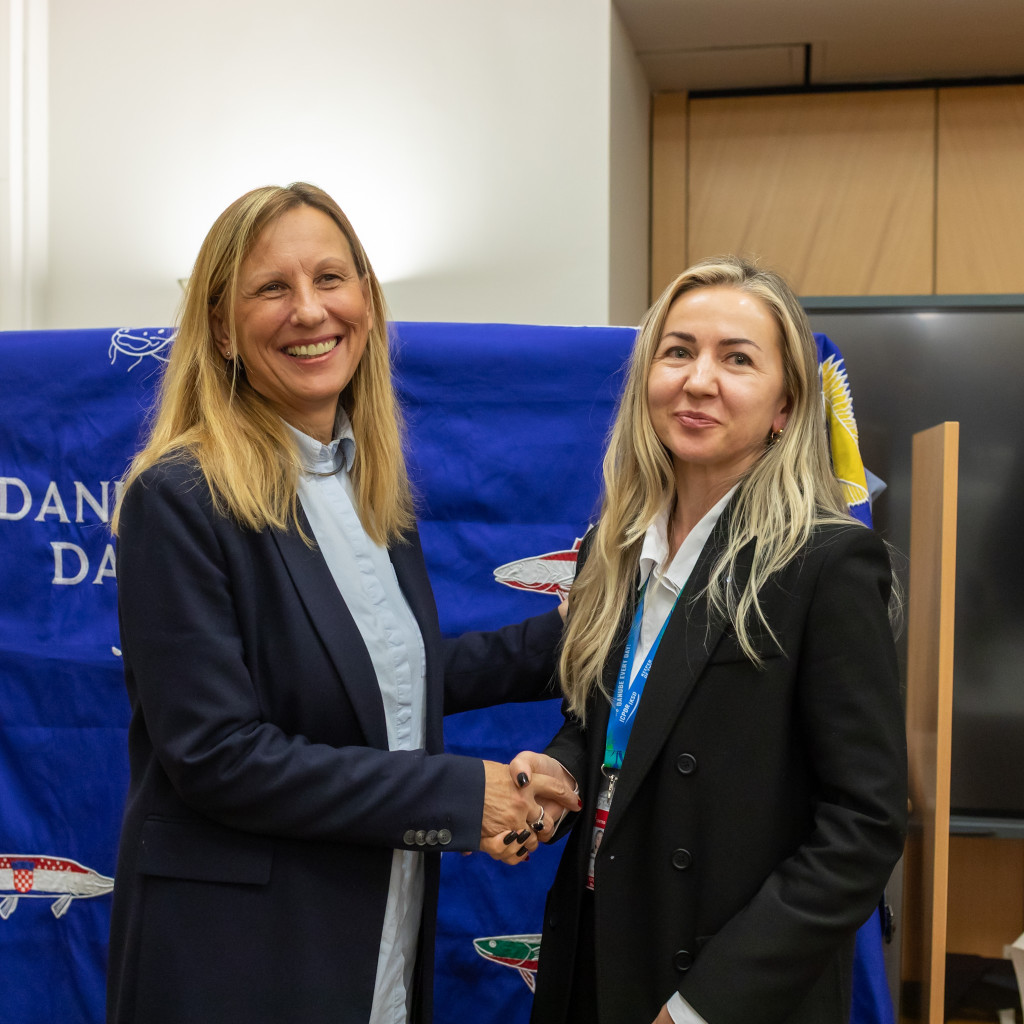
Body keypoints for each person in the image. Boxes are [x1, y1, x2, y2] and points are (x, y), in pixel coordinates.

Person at [106, 182, 576, 1024]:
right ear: (221, 327)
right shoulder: (178, 497)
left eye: (331, 278)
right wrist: (459, 798)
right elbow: (219, 754)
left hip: (374, 935)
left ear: (366, 300)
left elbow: (390, 681)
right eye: (272, 288)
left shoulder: (366, 490)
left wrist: (590, 633)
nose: (310, 310)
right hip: (241, 960)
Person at [510, 256, 908, 1024]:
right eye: (678, 350)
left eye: (737, 359)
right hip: (596, 945)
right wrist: (560, 768)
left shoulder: (825, 562)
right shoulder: (617, 546)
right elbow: (614, 722)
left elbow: (864, 824)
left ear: (786, 407)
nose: (698, 380)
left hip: (722, 983)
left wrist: (703, 1005)